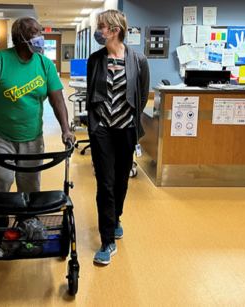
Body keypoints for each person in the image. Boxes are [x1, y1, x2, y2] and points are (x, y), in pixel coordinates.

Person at [0, 17, 75, 226]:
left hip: (32, 136)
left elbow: (57, 99)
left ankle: (25, 224)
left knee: (30, 184)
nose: (41, 37)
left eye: (40, 32)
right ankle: (0, 222)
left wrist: (66, 130)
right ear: (20, 38)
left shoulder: (45, 65)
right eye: (35, 33)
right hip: (0, 135)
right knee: (2, 180)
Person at [86, 10, 150, 265]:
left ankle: (116, 217)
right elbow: (92, 94)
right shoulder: (95, 59)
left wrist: (129, 119)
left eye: (101, 26)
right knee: (105, 183)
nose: (98, 31)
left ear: (114, 30)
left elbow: (142, 96)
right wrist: (93, 125)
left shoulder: (139, 60)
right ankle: (107, 240)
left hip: (125, 129)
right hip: (101, 128)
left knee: (121, 181)